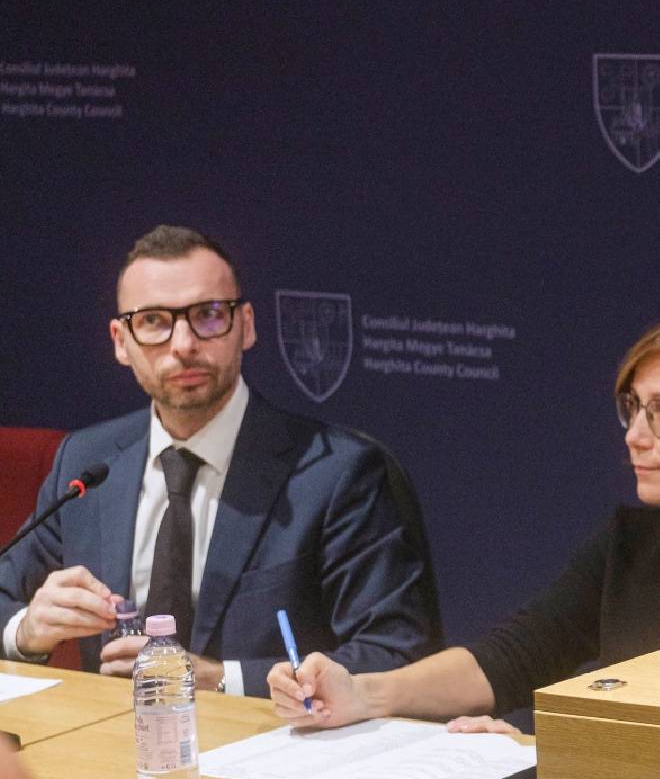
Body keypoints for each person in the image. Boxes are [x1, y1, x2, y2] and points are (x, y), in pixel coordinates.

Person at [267, 308, 660, 730]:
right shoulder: (631, 542)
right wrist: (362, 693)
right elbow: (510, 658)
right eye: (634, 408)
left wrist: (548, 759)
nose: (635, 435)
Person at [0, 225, 437, 696]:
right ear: (121, 341)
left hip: (276, 738)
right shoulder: (85, 463)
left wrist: (222, 679)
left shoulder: (337, 474)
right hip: (113, 735)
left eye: (208, 316)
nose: (184, 344)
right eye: (153, 321)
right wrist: (26, 631)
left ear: (245, 325)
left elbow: (395, 653)